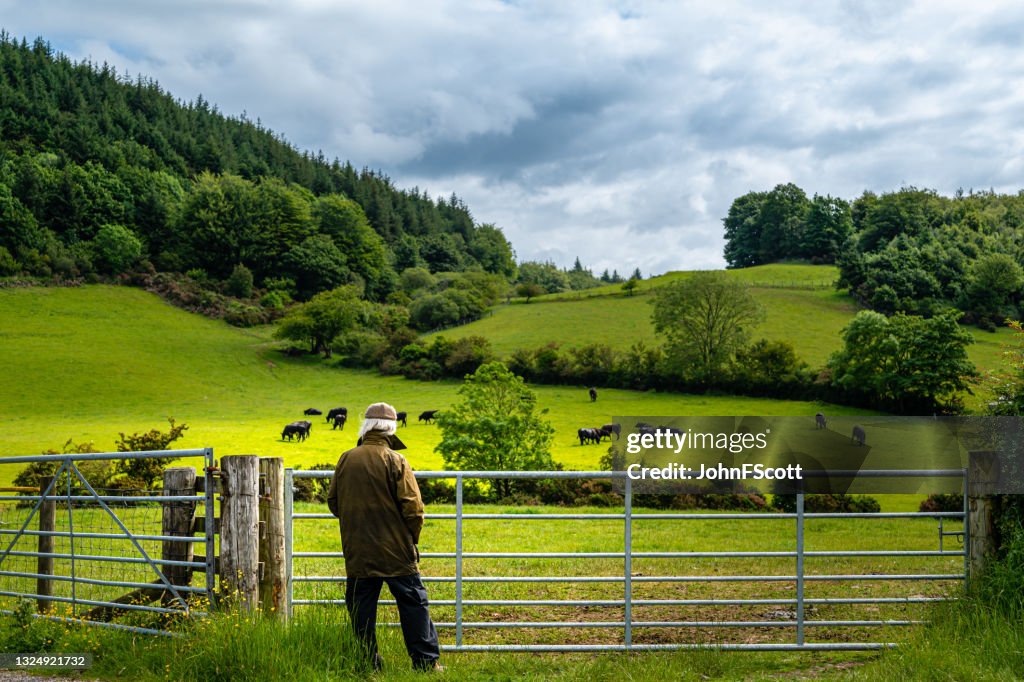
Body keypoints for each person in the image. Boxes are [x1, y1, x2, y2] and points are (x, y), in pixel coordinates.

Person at [327, 402, 442, 672]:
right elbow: (413, 508)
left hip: (358, 549)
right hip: (395, 550)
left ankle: (367, 663)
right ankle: (425, 662)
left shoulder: (347, 458)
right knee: (413, 601)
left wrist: (355, 523)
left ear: (366, 426)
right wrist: (410, 540)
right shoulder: (395, 460)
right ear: (391, 429)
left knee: (360, 606)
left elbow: (333, 502)